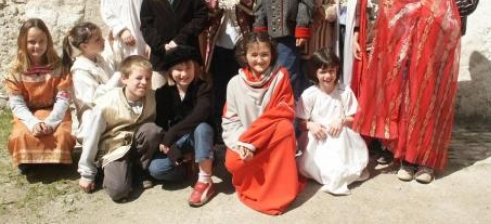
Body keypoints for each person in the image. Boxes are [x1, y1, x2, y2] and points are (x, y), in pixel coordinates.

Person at [353, 0, 462, 184]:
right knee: (406, 112)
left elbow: (452, 36)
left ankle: (426, 163)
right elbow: (387, 32)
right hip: (405, 70)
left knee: (427, 112)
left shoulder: (446, 1)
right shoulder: (401, 0)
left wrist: (433, 13)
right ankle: (407, 159)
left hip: (432, 71)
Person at [222, 32, 304, 215]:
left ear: (272, 55)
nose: (260, 60)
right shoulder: (234, 84)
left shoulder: (280, 76)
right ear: (244, 56)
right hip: (245, 139)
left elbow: (283, 112)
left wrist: (252, 142)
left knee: (285, 128)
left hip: (269, 139)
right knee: (233, 163)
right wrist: (242, 144)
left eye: (265, 55)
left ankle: (278, 192)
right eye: (254, 55)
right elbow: (230, 120)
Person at [351, 0, 412, 165]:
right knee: (369, 94)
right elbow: (360, 8)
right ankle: (370, 141)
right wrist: (357, 34)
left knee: (390, 96)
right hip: (368, 46)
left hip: (393, 50)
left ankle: (389, 144)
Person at [78, 55, 161, 201]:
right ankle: (110, 171)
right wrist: (86, 173)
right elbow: (91, 137)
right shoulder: (107, 103)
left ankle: (139, 169)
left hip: (137, 144)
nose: (144, 83)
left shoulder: (153, 98)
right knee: (118, 191)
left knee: (152, 130)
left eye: (148, 78)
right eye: (138, 78)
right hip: (114, 148)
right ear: (124, 79)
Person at [202, 0, 255, 143]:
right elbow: (204, 1)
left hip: (245, 41)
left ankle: (247, 129)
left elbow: (260, 3)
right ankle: (220, 131)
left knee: (245, 85)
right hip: (221, 41)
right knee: (221, 87)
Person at [5, 18, 76, 174]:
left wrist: (50, 123)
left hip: (55, 112)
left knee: (62, 136)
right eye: (31, 42)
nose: (37, 46)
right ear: (23, 43)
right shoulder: (16, 71)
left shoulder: (59, 67)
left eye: (41, 41)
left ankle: (56, 160)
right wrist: (33, 123)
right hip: (29, 113)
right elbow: (17, 104)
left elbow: (63, 98)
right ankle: (27, 160)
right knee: (21, 136)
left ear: (48, 42)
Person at [296, 47, 369, 195]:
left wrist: (341, 121)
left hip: (341, 136)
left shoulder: (345, 91)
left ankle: (340, 171)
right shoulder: (309, 94)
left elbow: (353, 118)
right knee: (316, 167)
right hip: (319, 136)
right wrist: (311, 125)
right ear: (315, 73)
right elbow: (301, 122)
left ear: (337, 70)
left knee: (341, 158)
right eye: (323, 72)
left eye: (332, 71)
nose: (328, 75)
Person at [149, 45, 215, 207]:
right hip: (179, 142)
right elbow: (161, 124)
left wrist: (171, 134)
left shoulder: (203, 87)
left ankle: (205, 180)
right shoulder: (163, 93)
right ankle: (187, 165)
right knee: (156, 169)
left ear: (195, 67)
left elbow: (200, 115)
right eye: (178, 69)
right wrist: (170, 147)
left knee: (202, 127)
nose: (184, 74)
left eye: (188, 68)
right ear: (170, 71)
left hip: (198, 137)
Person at [140, 0, 208, 89]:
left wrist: (178, 41)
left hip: (186, 53)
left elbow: (201, 18)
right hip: (161, 57)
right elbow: (146, 26)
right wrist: (161, 46)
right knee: (162, 97)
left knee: (189, 96)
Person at [62, 22, 121, 142]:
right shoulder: (80, 70)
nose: (102, 41)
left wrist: (110, 43)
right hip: (94, 119)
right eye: (98, 39)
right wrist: (118, 76)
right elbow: (92, 99)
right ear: (84, 46)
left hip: (110, 110)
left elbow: (108, 71)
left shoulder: (99, 59)